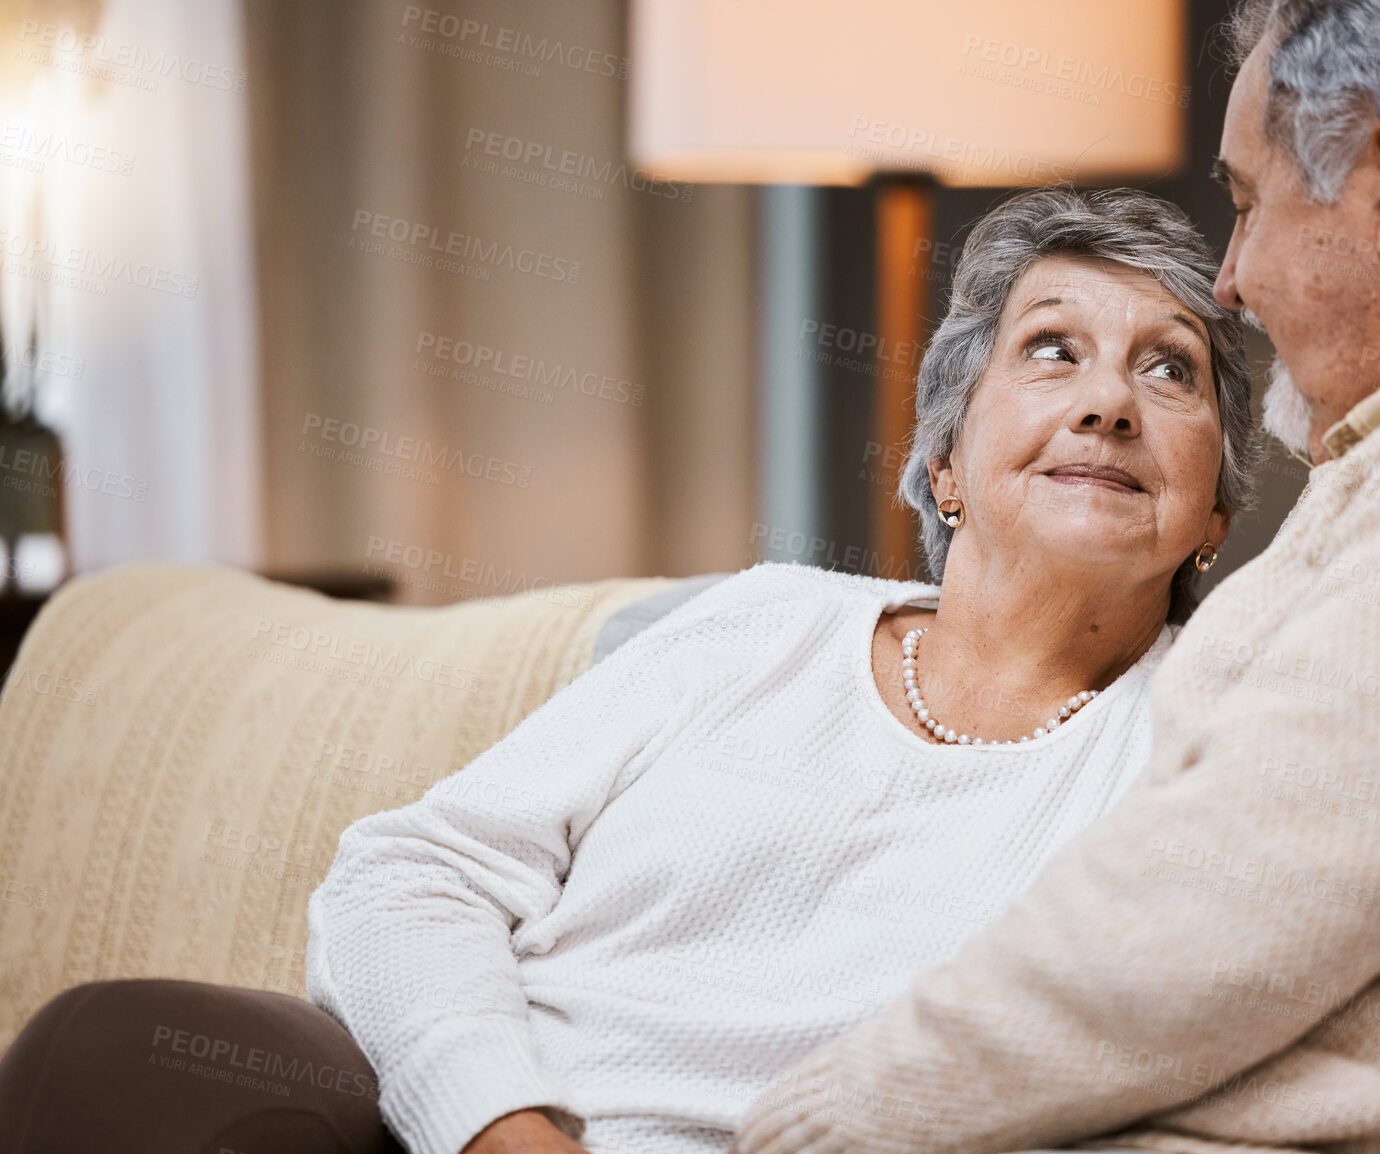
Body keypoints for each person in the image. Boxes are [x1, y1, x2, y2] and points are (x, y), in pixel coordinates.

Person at [0, 187, 1257, 1154]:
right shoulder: (769, 624)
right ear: (944, 461)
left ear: (1213, 513)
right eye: (1052, 349)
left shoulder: (1201, 739)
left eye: (1170, 369)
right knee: (113, 1047)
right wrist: (500, 1121)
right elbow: (410, 871)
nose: (1108, 403)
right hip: (465, 1126)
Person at [731, 3, 1380, 1154]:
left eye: (1249, 206)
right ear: (943, 458)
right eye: (1053, 350)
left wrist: (792, 1135)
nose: (1234, 277)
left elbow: (1187, 934)